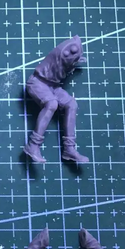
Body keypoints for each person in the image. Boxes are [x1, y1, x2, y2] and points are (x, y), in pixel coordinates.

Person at [23, 35, 89, 163]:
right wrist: (75, 60)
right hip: (37, 82)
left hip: (53, 86)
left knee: (71, 104)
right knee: (51, 104)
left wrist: (76, 61)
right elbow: (67, 58)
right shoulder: (65, 51)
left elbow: (68, 62)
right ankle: (33, 145)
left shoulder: (68, 53)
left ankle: (69, 149)